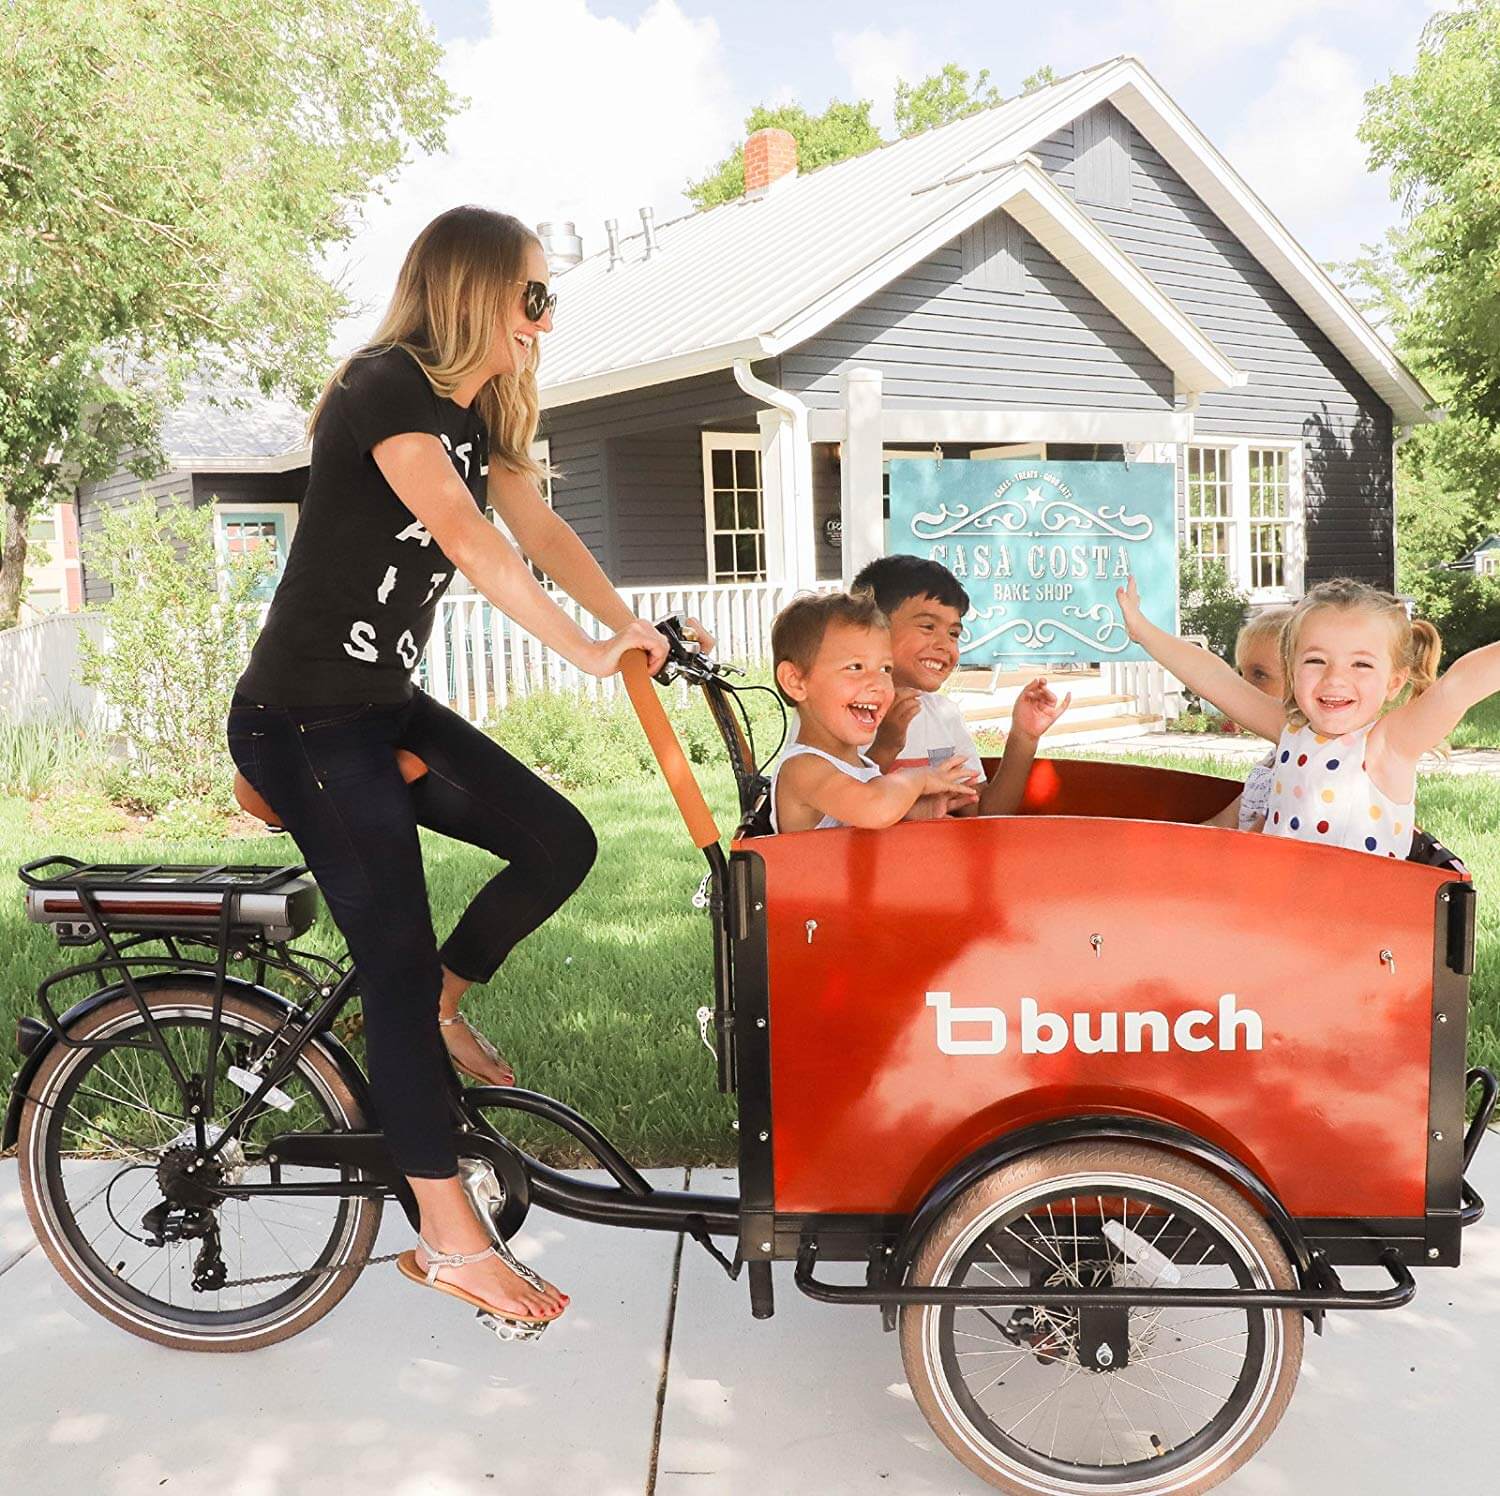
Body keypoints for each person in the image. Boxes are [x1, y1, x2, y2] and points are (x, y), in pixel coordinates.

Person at [227, 206, 703, 1338]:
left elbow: (533, 522)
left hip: (377, 707)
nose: (547, 316)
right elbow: (467, 537)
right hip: (301, 721)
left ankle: (443, 1003)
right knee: (386, 958)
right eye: (533, 294)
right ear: (475, 292)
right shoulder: (383, 383)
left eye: (550, 296)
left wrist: (636, 628)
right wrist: (581, 651)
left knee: (558, 840)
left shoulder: (478, 408)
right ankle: (447, 1239)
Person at [1117, 573, 1500, 858]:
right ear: (1292, 667)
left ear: (1393, 682)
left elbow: (1460, 684)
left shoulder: (1387, 746)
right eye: (1316, 660)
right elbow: (1214, 677)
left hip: (1356, 935)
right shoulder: (1291, 730)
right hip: (1282, 917)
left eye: (1361, 665)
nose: (1335, 678)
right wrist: (1144, 631)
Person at [851, 555, 1069, 813]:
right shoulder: (843, 713)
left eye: (953, 633)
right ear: (873, 628)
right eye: (928, 626)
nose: (945, 645)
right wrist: (886, 745)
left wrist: (1024, 736)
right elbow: (838, 819)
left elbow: (985, 814)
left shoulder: (944, 715)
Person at [768, 591, 979, 832]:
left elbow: (856, 821)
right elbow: (874, 808)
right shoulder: (803, 768)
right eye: (856, 667)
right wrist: (918, 778)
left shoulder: (858, 764)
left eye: (885, 668)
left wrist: (917, 811)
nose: (879, 683)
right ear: (796, 681)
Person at [1200, 606, 1292, 832]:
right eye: (1241, 674)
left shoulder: (1300, 769)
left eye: (1259, 675)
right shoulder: (1271, 762)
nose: (1242, 687)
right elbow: (1220, 825)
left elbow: (1252, 846)